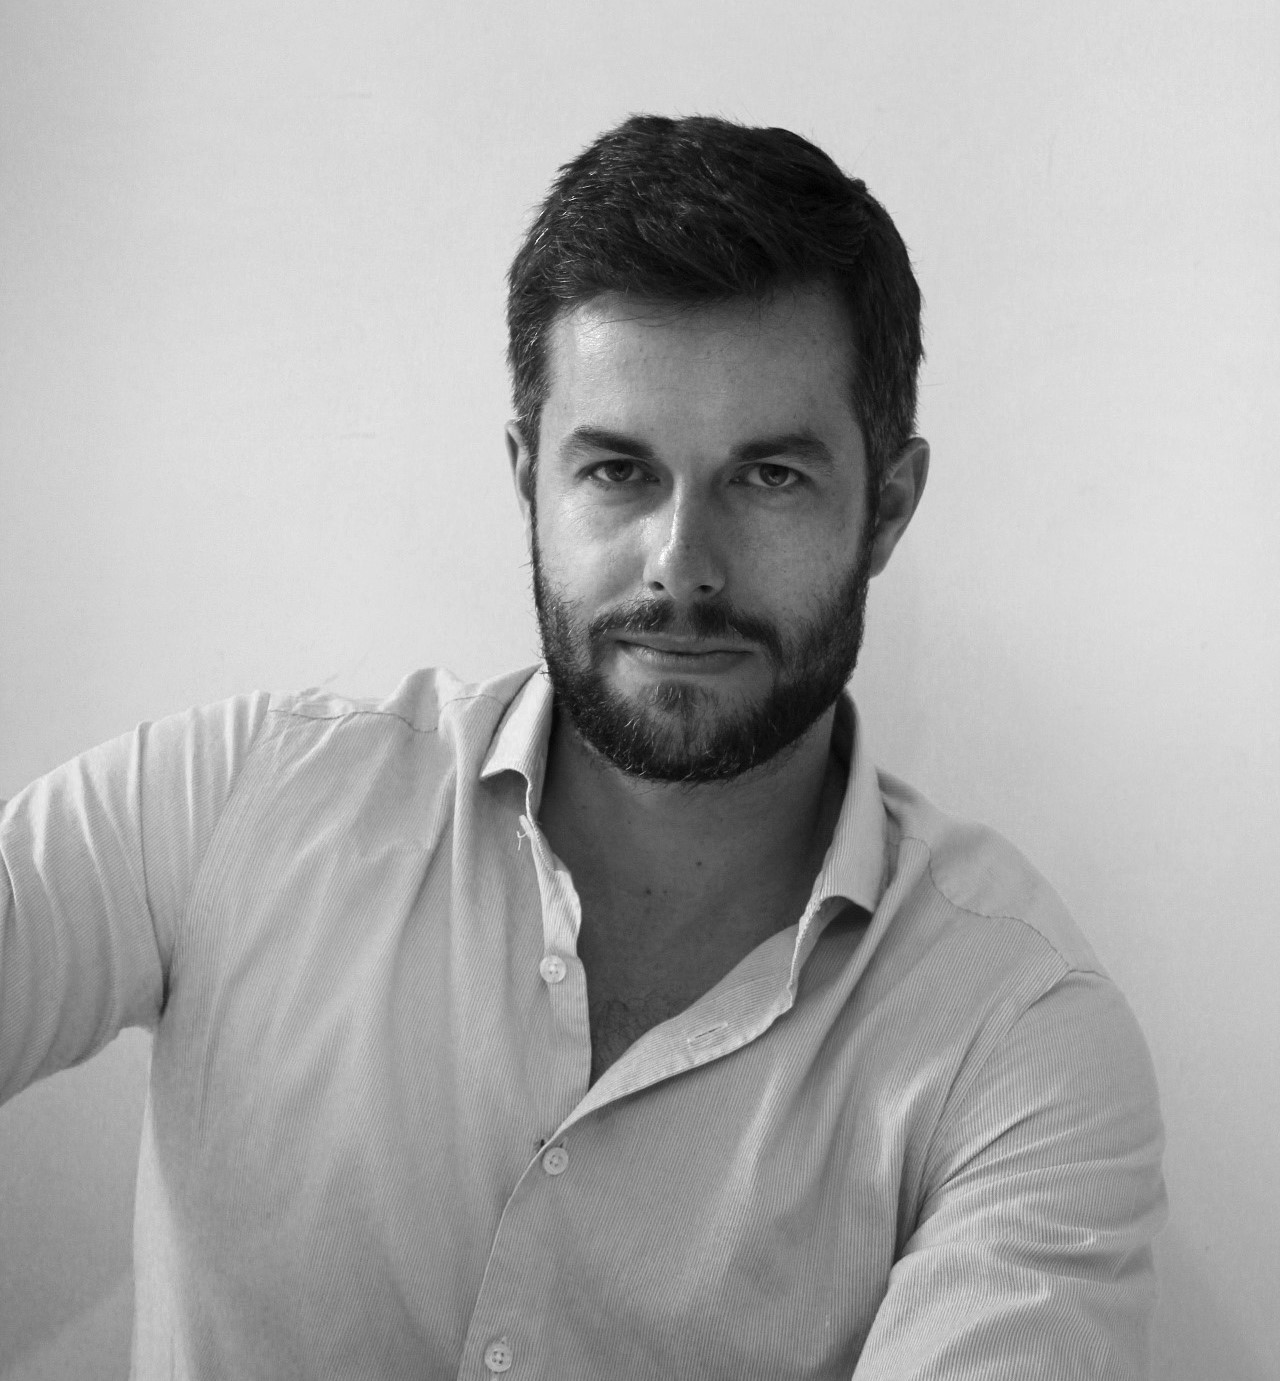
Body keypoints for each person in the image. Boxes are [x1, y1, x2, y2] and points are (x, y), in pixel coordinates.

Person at [0, 114, 1165, 1380]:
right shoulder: (228, 807)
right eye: (617, 471)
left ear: (886, 507)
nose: (681, 566)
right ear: (528, 481)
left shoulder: (1017, 1032)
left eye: (768, 476)